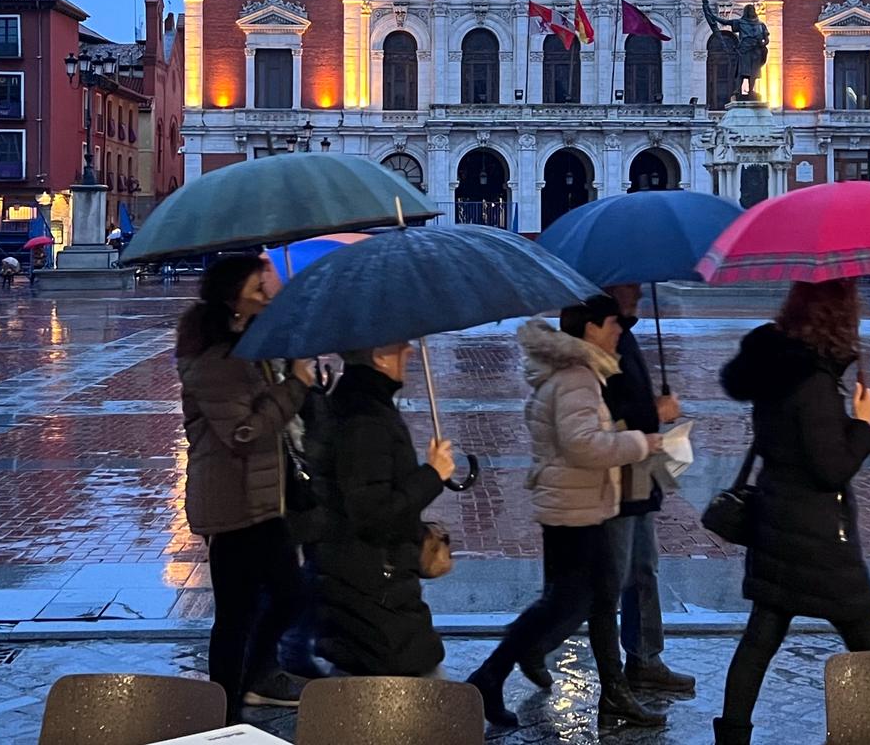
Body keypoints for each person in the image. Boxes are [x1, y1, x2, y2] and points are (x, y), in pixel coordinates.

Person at [467, 294, 666, 730]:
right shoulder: (578, 375)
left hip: (572, 503)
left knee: (588, 600)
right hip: (575, 508)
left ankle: (612, 692)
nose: (619, 330)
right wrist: (640, 442)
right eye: (613, 323)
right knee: (568, 601)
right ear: (591, 328)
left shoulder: (570, 371)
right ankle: (490, 674)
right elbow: (583, 444)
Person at [714, 278, 870, 745]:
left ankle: (732, 736)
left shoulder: (779, 365)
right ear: (838, 315)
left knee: (761, 636)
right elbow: (831, 468)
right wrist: (863, 424)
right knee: (866, 637)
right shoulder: (811, 382)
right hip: (817, 536)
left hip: (775, 520)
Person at [178, 252, 317, 723]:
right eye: (261, 286)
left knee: (283, 597)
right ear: (234, 297)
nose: (269, 291)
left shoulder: (244, 346)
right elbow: (242, 431)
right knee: (241, 613)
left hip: (258, 497)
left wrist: (295, 372)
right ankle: (225, 709)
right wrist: (294, 386)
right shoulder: (214, 360)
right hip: (232, 502)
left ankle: (248, 685)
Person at [310, 341, 454, 678]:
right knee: (410, 693)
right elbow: (373, 513)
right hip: (374, 589)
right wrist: (432, 475)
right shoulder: (365, 420)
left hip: (369, 584)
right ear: (379, 356)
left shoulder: (362, 405)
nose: (410, 351)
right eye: (401, 346)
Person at [600, 282, 695, 694]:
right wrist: (654, 410)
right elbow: (597, 413)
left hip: (638, 469)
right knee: (613, 575)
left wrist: (653, 408)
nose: (638, 290)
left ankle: (644, 657)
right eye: (630, 284)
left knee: (642, 565)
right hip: (616, 473)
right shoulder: (602, 339)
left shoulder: (626, 332)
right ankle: (531, 645)